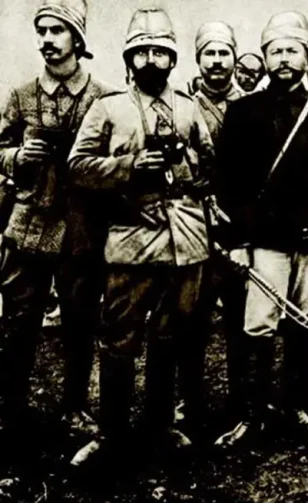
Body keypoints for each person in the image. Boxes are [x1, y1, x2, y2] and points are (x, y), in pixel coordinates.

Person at [67, 7, 215, 466]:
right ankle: (111, 435)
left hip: (186, 242)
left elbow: (210, 165)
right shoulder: (107, 107)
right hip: (132, 241)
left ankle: (161, 426)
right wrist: (129, 166)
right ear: (129, 59)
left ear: (173, 60)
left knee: (172, 336)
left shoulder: (189, 108)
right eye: (142, 52)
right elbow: (77, 166)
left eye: (160, 52)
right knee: (119, 338)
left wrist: (191, 169)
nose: (151, 60)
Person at [214, 11, 308, 446]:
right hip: (267, 239)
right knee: (258, 326)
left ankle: (297, 406)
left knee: (304, 322)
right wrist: (238, 241)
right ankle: (253, 414)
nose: (284, 59)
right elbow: (228, 185)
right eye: (276, 51)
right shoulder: (243, 111)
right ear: (265, 57)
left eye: (293, 50)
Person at [0, 0, 112, 443]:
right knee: (18, 321)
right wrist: (16, 157)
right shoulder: (21, 95)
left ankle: (75, 408)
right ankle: (10, 410)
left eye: (57, 30)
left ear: (77, 40)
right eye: (42, 30)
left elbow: (115, 155)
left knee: (80, 322)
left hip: (81, 228)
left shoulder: (102, 96)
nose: (47, 39)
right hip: (28, 224)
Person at [175, 21, 245, 437]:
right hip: (194, 225)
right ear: (198, 59)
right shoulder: (183, 105)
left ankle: (242, 400)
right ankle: (189, 399)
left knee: (241, 318)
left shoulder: (252, 105)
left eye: (224, 53)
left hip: (239, 229)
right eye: (210, 54)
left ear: (235, 57)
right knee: (191, 318)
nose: (217, 62)